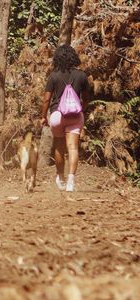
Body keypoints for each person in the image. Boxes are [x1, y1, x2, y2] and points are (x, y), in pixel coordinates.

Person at [41, 44, 90, 193]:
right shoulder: (82, 75)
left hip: (57, 115)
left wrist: (43, 116)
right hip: (75, 115)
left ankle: (60, 178)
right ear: (73, 57)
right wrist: (82, 109)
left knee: (59, 147)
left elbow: (46, 100)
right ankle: (70, 181)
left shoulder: (54, 76)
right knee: (73, 148)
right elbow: (87, 98)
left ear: (57, 58)